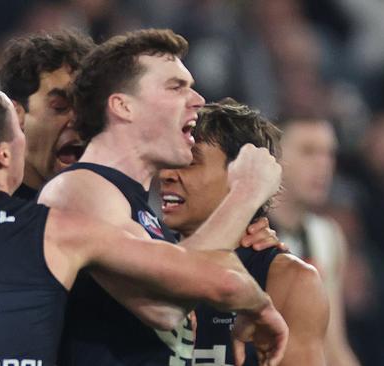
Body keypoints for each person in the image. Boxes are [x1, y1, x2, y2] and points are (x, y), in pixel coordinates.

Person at [0, 72, 287, 365]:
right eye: (18, 129)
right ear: (3, 154)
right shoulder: (57, 229)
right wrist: (262, 306)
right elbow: (216, 280)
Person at [39, 29, 286, 366]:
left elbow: (195, 272)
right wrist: (245, 192)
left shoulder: (136, 206)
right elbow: (166, 306)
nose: (197, 99)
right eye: (175, 87)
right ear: (123, 106)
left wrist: (253, 300)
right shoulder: (80, 190)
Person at [158, 98, 330, 366]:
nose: (166, 174)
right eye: (169, 159)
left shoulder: (290, 281)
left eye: (190, 161)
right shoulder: (142, 257)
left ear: (241, 175)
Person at [268, 117, 361, 366]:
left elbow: (332, 342)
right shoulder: (242, 229)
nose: (323, 165)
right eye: (308, 151)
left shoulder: (328, 236)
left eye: (329, 154)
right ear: (273, 156)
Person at [0, 30, 94, 200]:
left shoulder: (116, 206)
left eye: (86, 107)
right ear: (15, 114)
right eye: (60, 107)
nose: (77, 119)